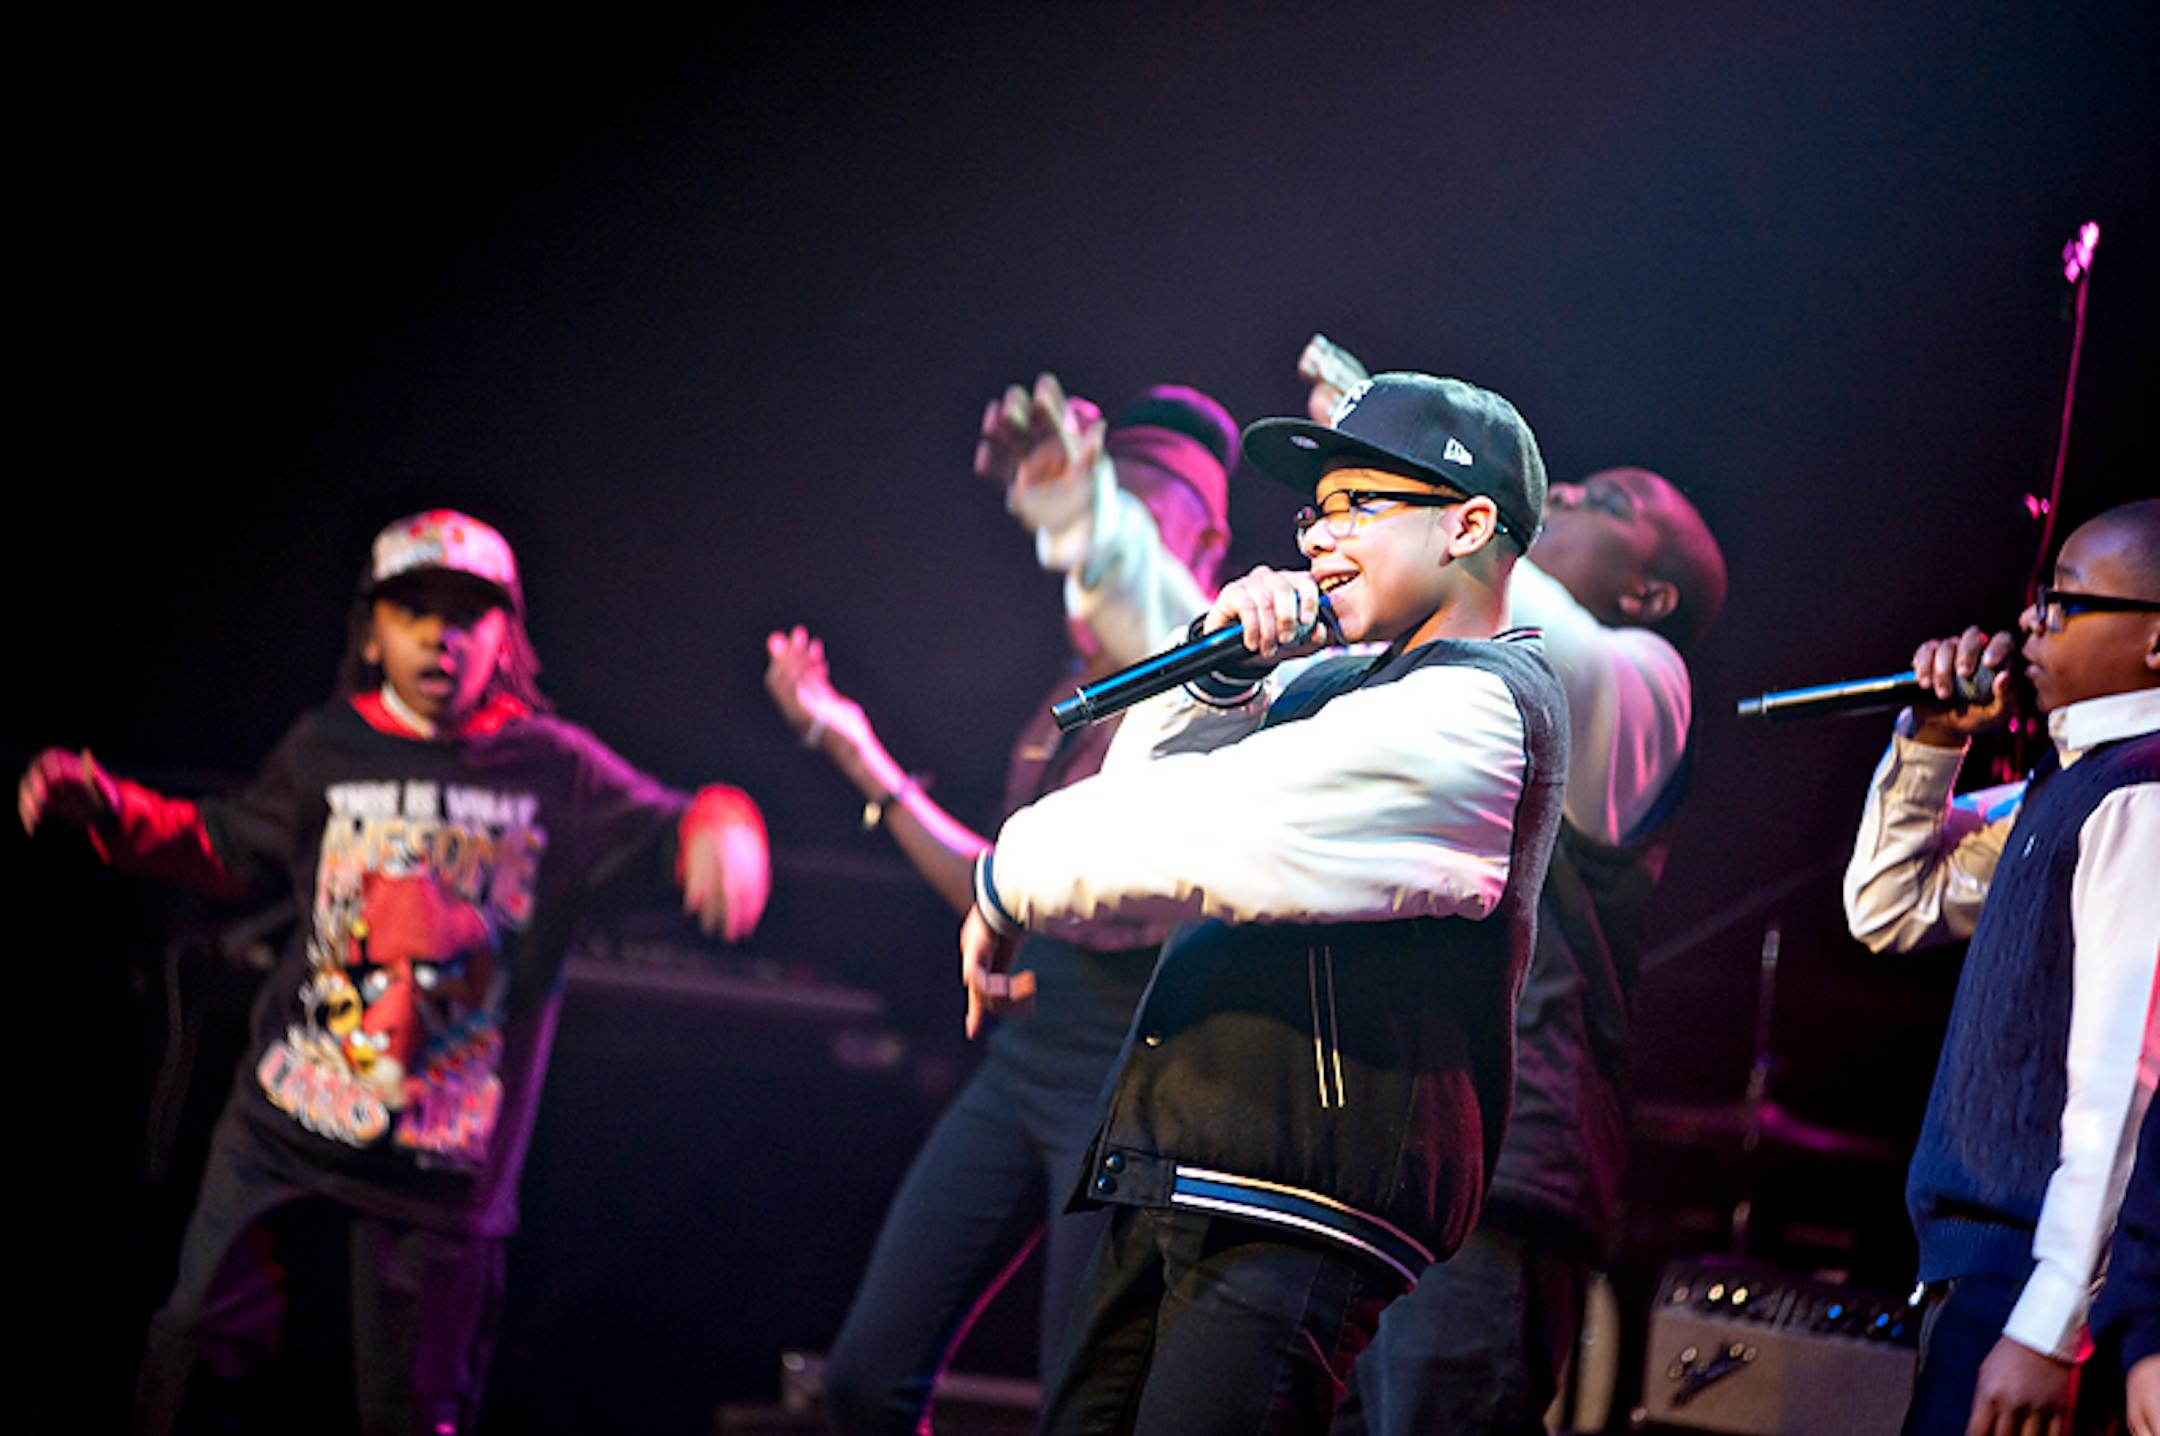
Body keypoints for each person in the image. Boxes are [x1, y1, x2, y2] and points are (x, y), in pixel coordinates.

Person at [18, 509, 773, 1436]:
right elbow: (224, 846)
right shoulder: (325, 748)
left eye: (467, 615)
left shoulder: (554, 769)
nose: (439, 637)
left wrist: (725, 825)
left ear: (506, 638)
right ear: (372, 634)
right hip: (285, 1130)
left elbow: (682, 822)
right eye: (413, 611)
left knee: (413, 1410)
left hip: (443, 1167)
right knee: (189, 1344)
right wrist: (111, 809)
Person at [962, 372, 1571, 1434]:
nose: (1320, 538)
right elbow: (1139, 790)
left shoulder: (1485, 708)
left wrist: (1003, 876)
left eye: (1358, 504)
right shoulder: (1327, 681)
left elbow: (1219, 830)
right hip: (1185, 1156)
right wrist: (1224, 675)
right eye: (1314, 510)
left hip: (1296, 1192)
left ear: (1468, 520)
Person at [763, 377, 1237, 1432]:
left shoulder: (1218, 679)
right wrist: (849, 744)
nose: (1104, 527)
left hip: (1132, 1084)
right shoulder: (1075, 689)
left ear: (1204, 540)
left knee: (1084, 1411)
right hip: (1025, 1063)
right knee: (862, 1377)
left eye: (1139, 507)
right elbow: (1005, 871)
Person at [1298, 337, 1726, 1434]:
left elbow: (1567, 654)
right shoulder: (1453, 670)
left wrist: (1438, 496)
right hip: (1381, 1157)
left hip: (1499, 1172)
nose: (1574, 487)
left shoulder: (1648, 680)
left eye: (1612, 500)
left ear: (1651, 587)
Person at [1842, 497, 2160, 1436]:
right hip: (1984, 1271)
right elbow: (1889, 907)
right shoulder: (2072, 787)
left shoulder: (2141, 798)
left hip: (2034, 1280)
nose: (2028, 622)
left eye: (2061, 604)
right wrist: (1938, 737)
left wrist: (2051, 1325)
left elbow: (2125, 1085)